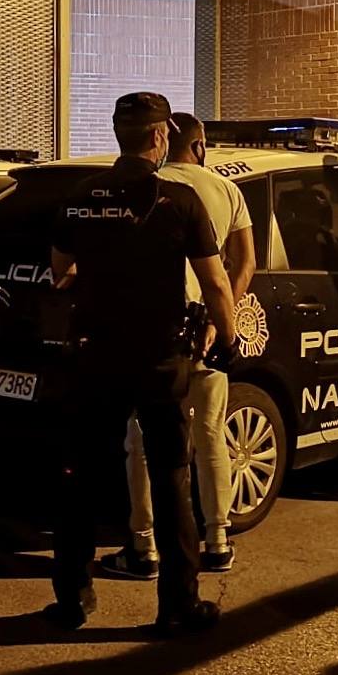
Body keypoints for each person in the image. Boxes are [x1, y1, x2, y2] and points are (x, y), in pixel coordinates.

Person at [46, 92, 238, 635]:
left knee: (81, 477)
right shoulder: (180, 200)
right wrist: (228, 337)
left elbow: (60, 271)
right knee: (171, 477)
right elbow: (215, 282)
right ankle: (178, 605)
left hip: (95, 357)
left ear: (119, 135)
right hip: (159, 358)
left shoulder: (79, 197)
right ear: (159, 137)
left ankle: (71, 599)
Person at [100, 112, 256, 581]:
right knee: (211, 434)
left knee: (143, 443)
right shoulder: (226, 190)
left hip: (154, 335)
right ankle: (218, 541)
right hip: (204, 328)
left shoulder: (152, 188)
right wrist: (221, 322)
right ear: (200, 146)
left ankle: (143, 545)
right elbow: (243, 264)